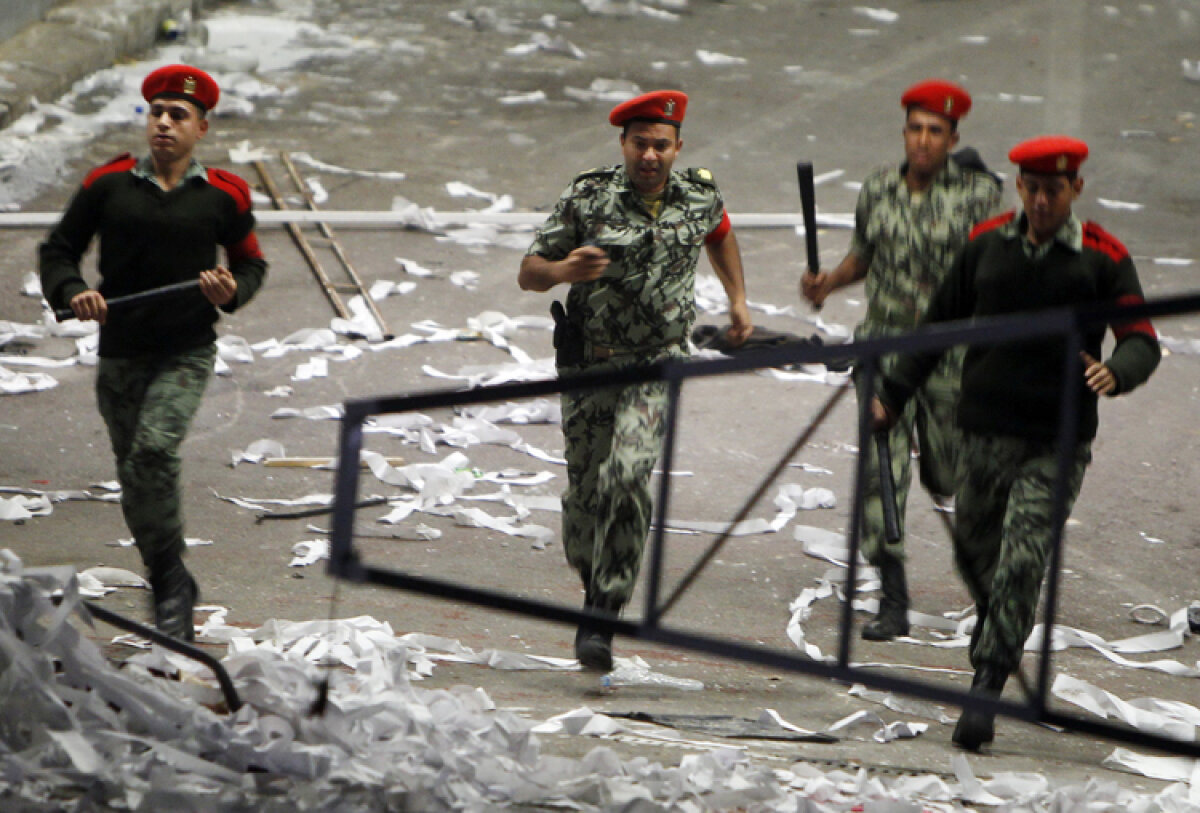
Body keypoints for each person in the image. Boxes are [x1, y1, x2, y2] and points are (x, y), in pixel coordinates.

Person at [869, 135, 1161, 750]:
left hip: (1055, 441)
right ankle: (997, 626)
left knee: (1023, 558)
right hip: (983, 432)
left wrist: (1119, 370)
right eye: (1031, 188)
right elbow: (938, 322)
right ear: (1019, 185)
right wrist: (894, 394)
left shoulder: (1102, 257)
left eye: (1055, 189)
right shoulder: (986, 246)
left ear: (1075, 189)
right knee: (976, 552)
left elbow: (1141, 336)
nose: (1041, 200)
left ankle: (986, 682)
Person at [518, 90, 752, 671]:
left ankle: (603, 613)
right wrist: (565, 270)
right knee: (586, 501)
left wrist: (738, 298)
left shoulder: (698, 194)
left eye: (661, 146)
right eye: (640, 144)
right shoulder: (588, 196)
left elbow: (719, 233)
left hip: (657, 364)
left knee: (627, 476)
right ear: (623, 145)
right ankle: (593, 576)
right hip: (590, 365)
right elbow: (529, 273)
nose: (650, 156)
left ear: (678, 148)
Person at [39, 65, 268, 641]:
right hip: (120, 354)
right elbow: (59, 250)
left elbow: (250, 263)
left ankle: (168, 588)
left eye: (178, 115)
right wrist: (73, 292)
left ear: (202, 128)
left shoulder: (224, 194)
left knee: (153, 454)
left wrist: (233, 289)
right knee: (135, 478)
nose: (163, 123)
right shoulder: (108, 185)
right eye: (156, 112)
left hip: (185, 352)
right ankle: (169, 574)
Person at [801, 79, 1003, 641]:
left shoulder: (978, 197)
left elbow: (995, 269)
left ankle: (992, 583)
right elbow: (864, 255)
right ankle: (892, 595)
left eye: (935, 131)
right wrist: (827, 283)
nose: (922, 140)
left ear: (953, 137)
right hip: (884, 352)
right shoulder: (878, 190)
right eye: (914, 129)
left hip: (950, 357)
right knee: (879, 478)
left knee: (948, 472)